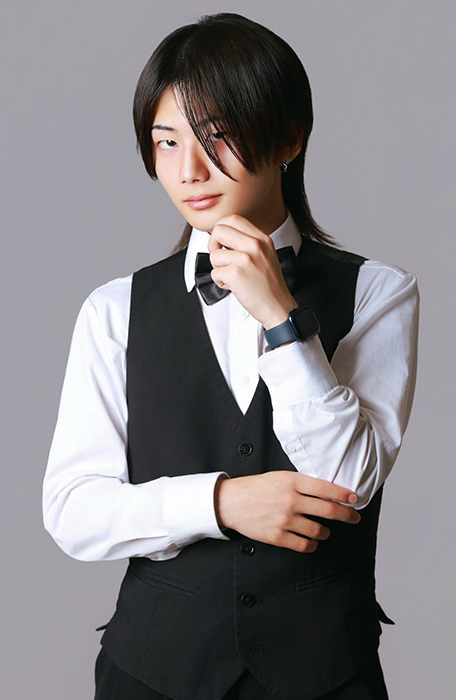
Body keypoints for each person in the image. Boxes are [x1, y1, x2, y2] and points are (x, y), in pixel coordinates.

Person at [42, 12, 419, 700]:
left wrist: (281, 318)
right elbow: (72, 509)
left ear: (289, 137)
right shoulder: (114, 310)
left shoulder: (378, 292)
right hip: (151, 674)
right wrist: (219, 502)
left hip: (326, 676)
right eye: (166, 142)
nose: (189, 171)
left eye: (216, 136)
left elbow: (351, 480)